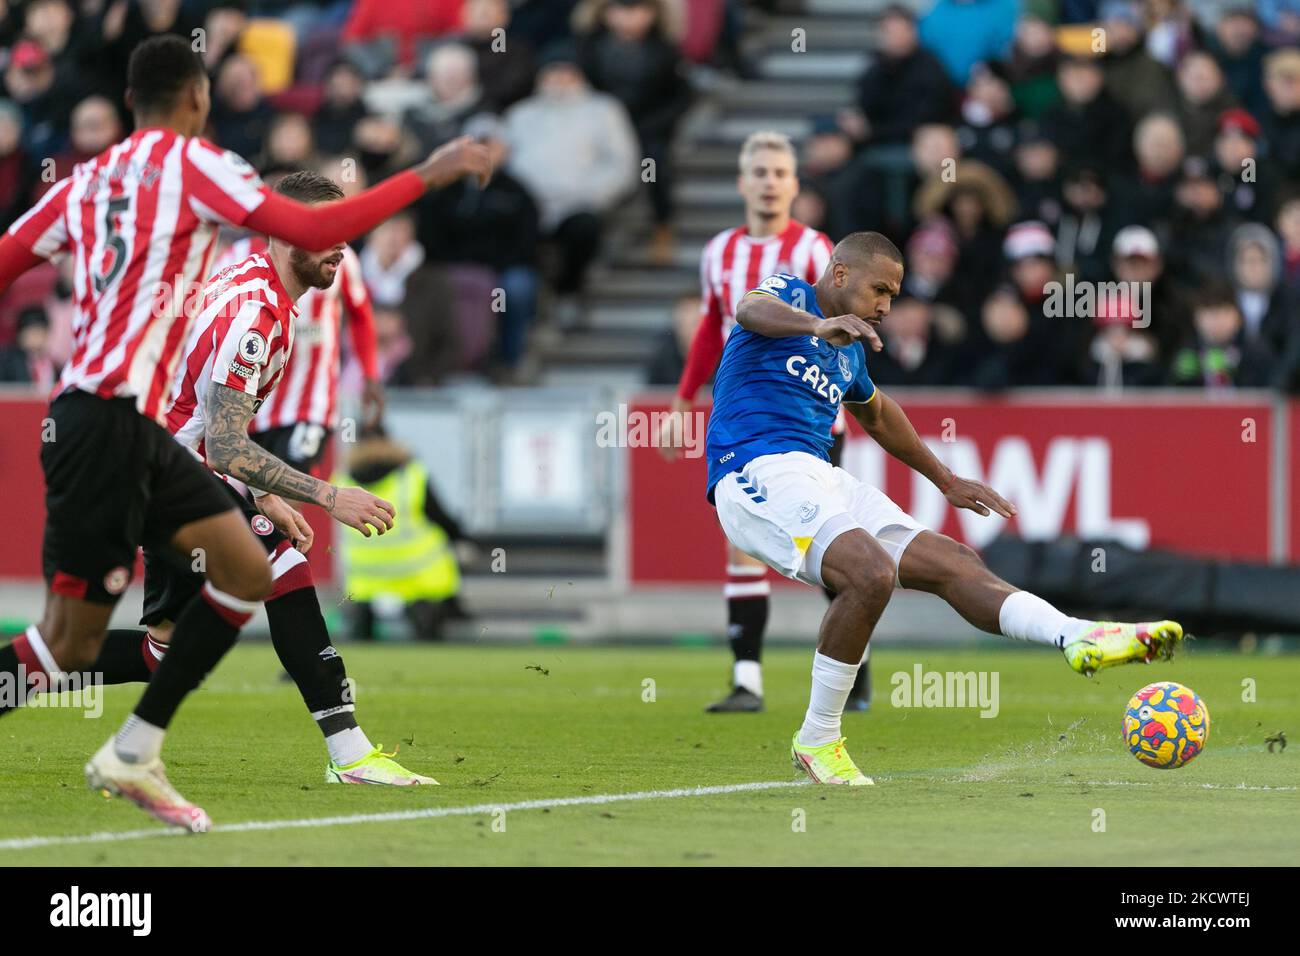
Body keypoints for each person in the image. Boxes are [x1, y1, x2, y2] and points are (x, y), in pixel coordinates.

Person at [0, 35, 492, 832]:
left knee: (189, 600)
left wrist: (265, 490)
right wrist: (425, 175)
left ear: (129, 103)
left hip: (100, 426)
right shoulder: (205, 177)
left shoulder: (85, 182)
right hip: (127, 431)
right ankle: (319, 750)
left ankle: (143, 750)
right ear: (197, 101)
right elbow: (227, 432)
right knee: (82, 638)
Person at [706, 231, 1185, 785]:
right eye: (878, 290)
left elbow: (879, 415)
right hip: (753, 469)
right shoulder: (789, 294)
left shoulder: (853, 353)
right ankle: (818, 739)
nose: (886, 305)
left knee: (952, 561)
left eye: (894, 294)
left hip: (820, 474)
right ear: (838, 275)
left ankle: (1076, 635)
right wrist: (817, 324)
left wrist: (947, 479)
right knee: (869, 573)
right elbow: (749, 309)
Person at [88, 170, 434, 787]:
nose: (341, 245)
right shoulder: (257, 314)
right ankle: (349, 752)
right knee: (280, 566)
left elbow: (209, 425)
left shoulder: (260, 287)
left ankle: (20, 670)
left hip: (158, 460)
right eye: (326, 231)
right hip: (158, 467)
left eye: (345, 230)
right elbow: (222, 444)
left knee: (158, 653)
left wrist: (268, 495)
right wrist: (330, 495)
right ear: (283, 232)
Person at [657, 131, 870, 714]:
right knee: (741, 545)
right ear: (742, 182)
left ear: (795, 184)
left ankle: (856, 667)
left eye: (780, 172)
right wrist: (683, 399)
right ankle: (747, 678)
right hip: (749, 422)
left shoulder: (814, 250)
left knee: (835, 549)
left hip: (814, 426)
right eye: (760, 171)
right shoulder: (718, 253)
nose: (770, 182)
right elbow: (712, 329)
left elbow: (841, 331)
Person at [336, 425, 470, 642]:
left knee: (359, 641)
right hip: (416, 575)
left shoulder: (342, 479)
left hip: (366, 577)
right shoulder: (412, 475)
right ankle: (441, 624)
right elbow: (443, 519)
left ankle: (360, 641)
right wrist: (463, 539)